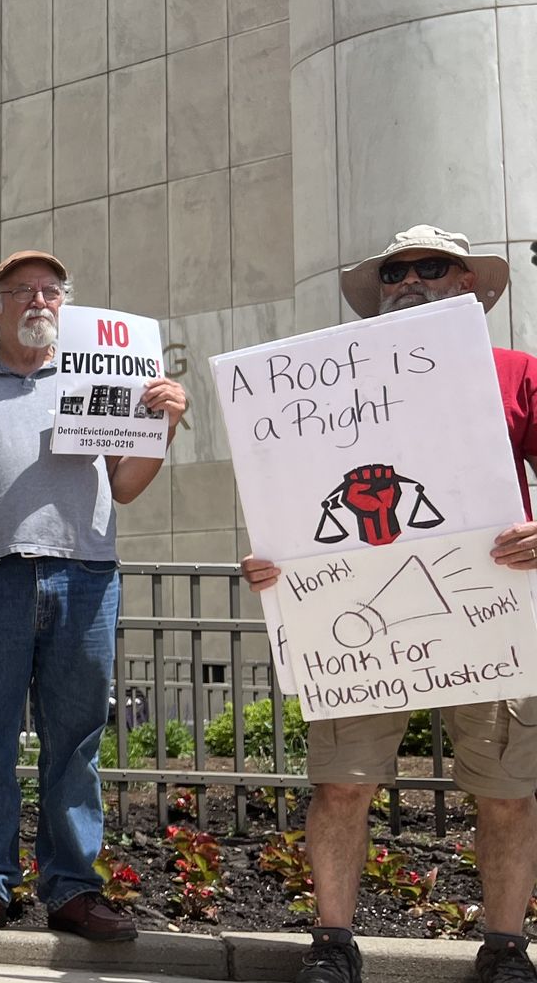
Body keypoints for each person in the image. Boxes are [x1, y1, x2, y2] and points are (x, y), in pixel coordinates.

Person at [239, 225, 537, 983]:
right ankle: (332, 944)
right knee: (341, 784)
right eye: (394, 272)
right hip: (359, 621)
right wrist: (276, 563)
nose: (409, 281)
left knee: (507, 792)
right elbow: (291, 499)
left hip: (490, 614)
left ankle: (506, 949)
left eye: (430, 266)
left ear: (467, 284)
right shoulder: (323, 390)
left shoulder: (517, 373)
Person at [0, 251, 186, 942]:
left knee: (77, 740)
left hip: (85, 578)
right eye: (21, 290)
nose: (38, 301)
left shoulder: (99, 375)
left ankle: (73, 889)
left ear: (66, 303)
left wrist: (166, 424)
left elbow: (125, 485)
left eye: (51, 290)